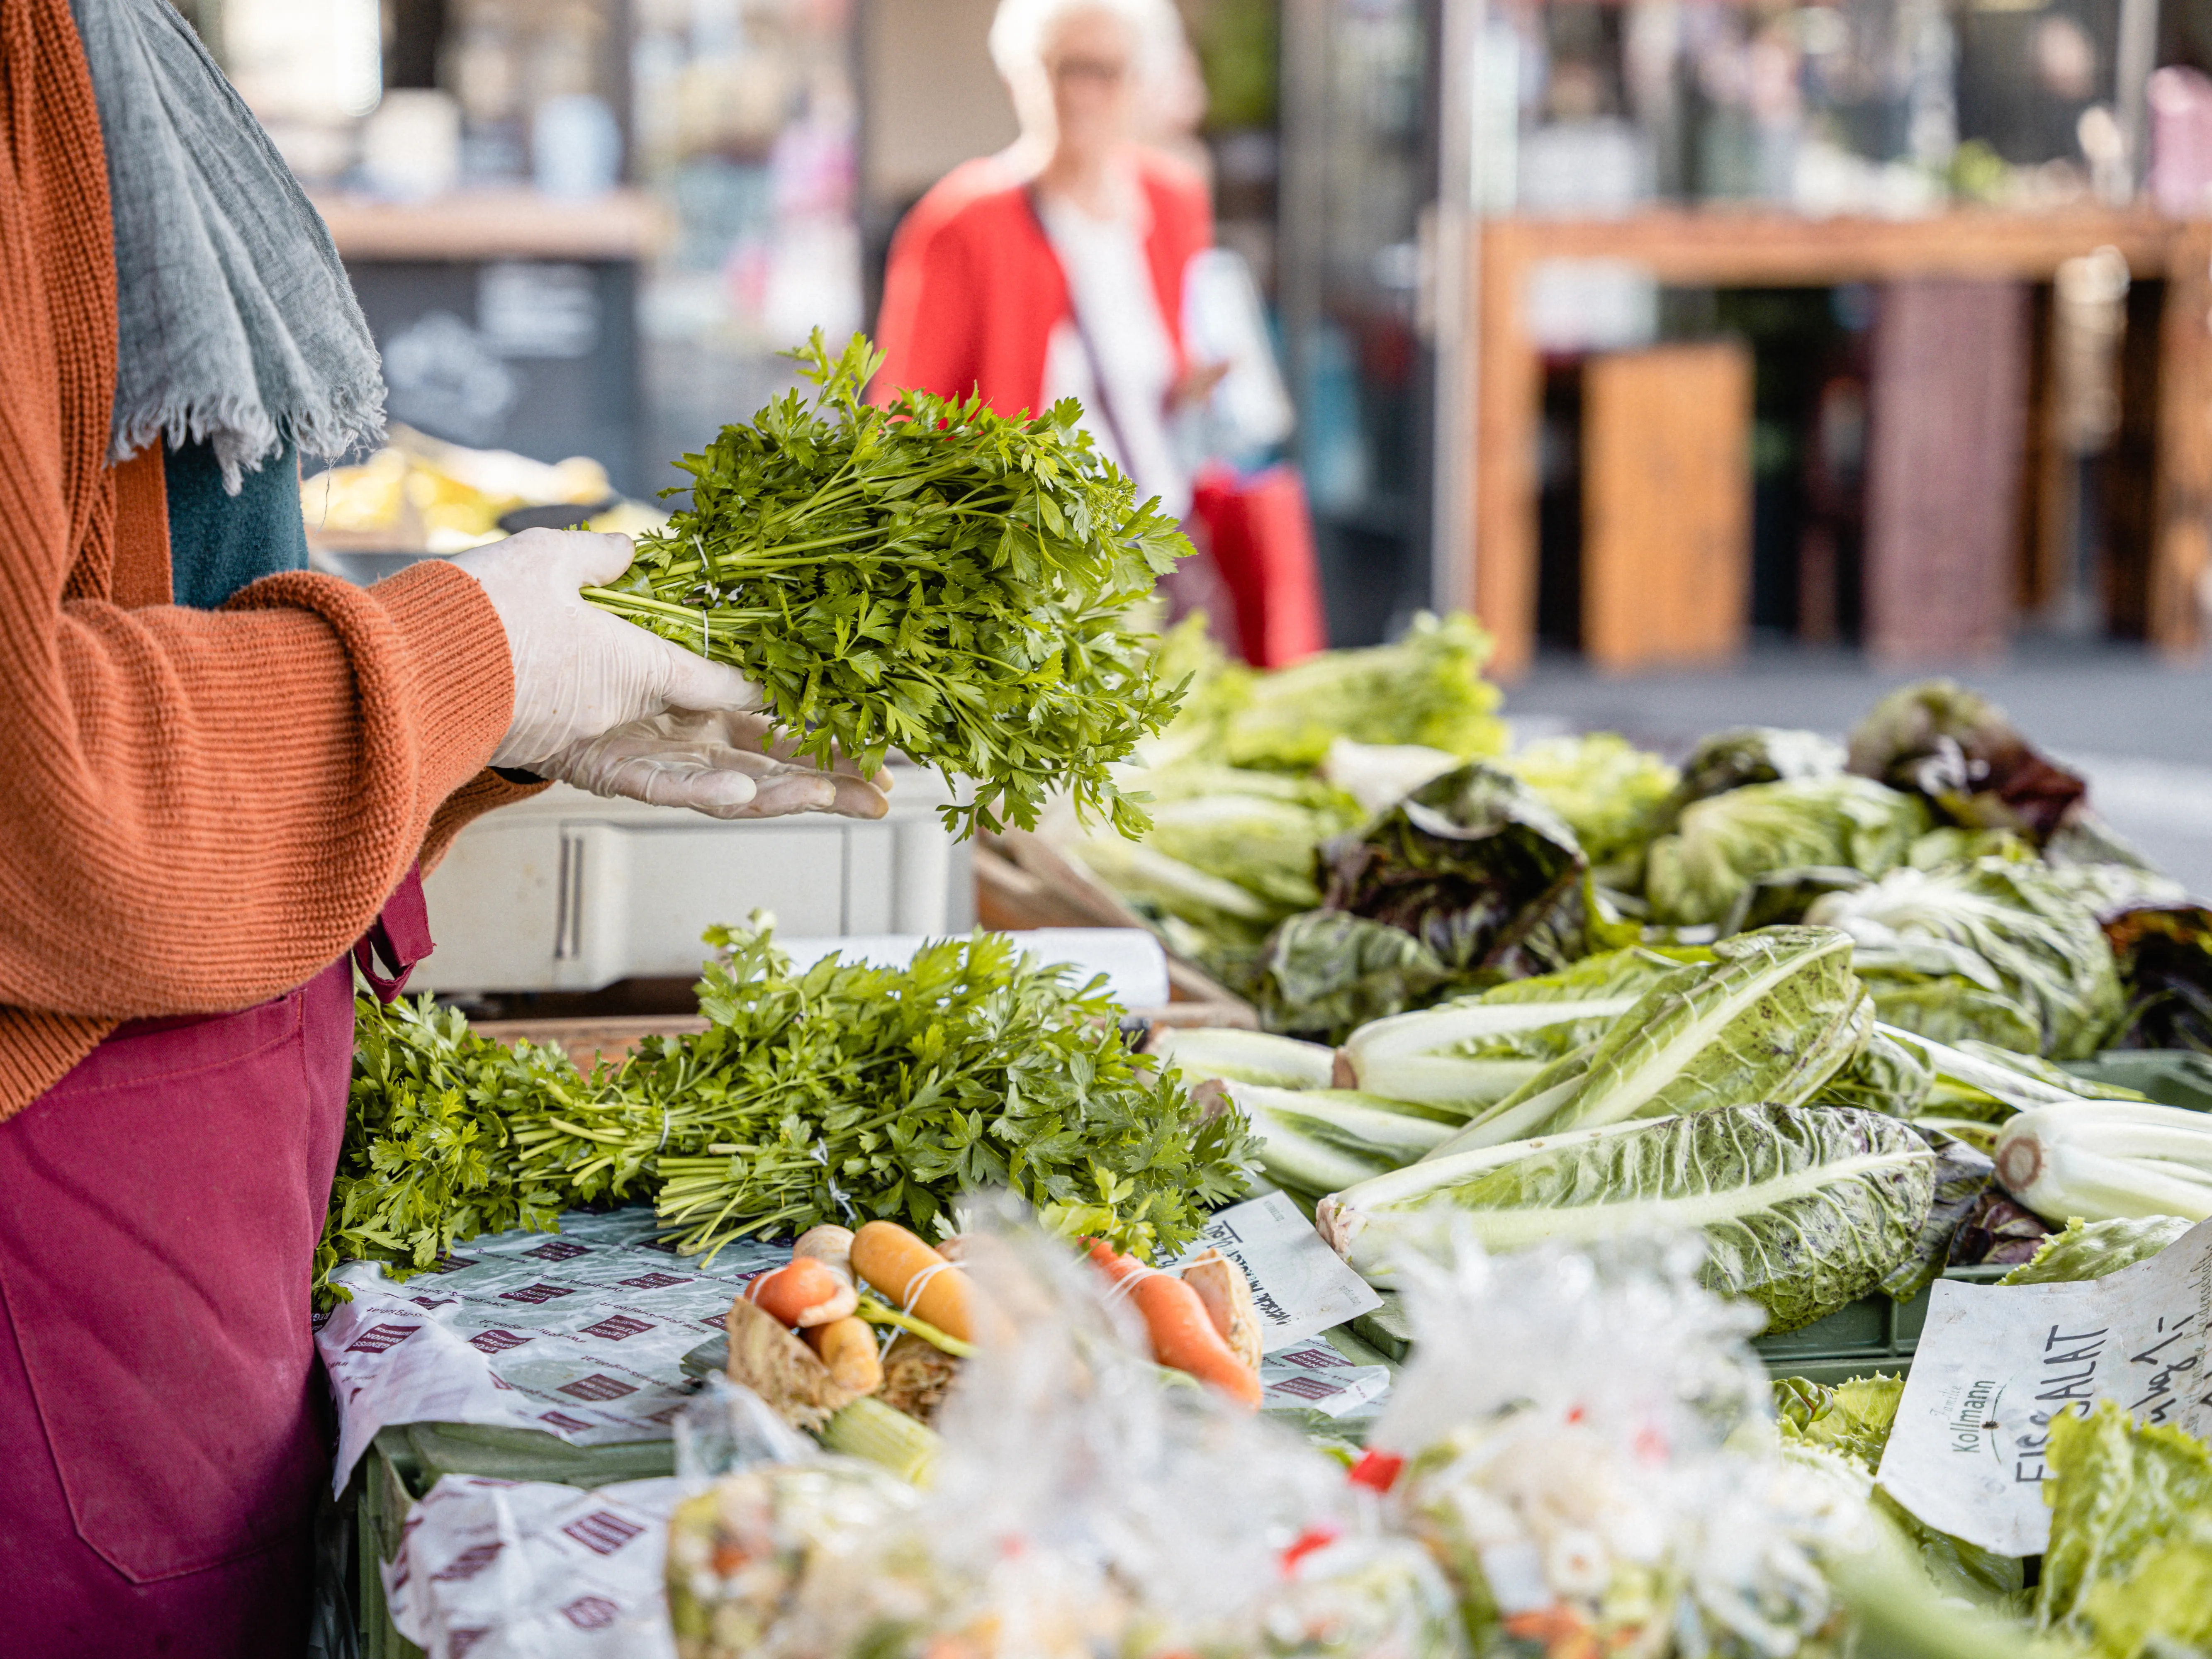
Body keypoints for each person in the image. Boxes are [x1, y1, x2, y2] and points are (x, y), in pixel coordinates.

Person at [0, 1, 883, 1650]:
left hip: (168, 1216)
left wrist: (513, 716)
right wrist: (489, 651)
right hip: (47, 1293)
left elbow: (147, 602)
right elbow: (30, 794)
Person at [873, 0, 1238, 641]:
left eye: (1106, 71)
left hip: (1157, 543)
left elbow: (1170, 363)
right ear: (1020, 77)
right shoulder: (961, 221)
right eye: (1064, 68)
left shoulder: (1172, 201)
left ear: (1140, 81)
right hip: (1028, 573)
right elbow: (905, 419)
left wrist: (1201, 385)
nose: (1083, 93)